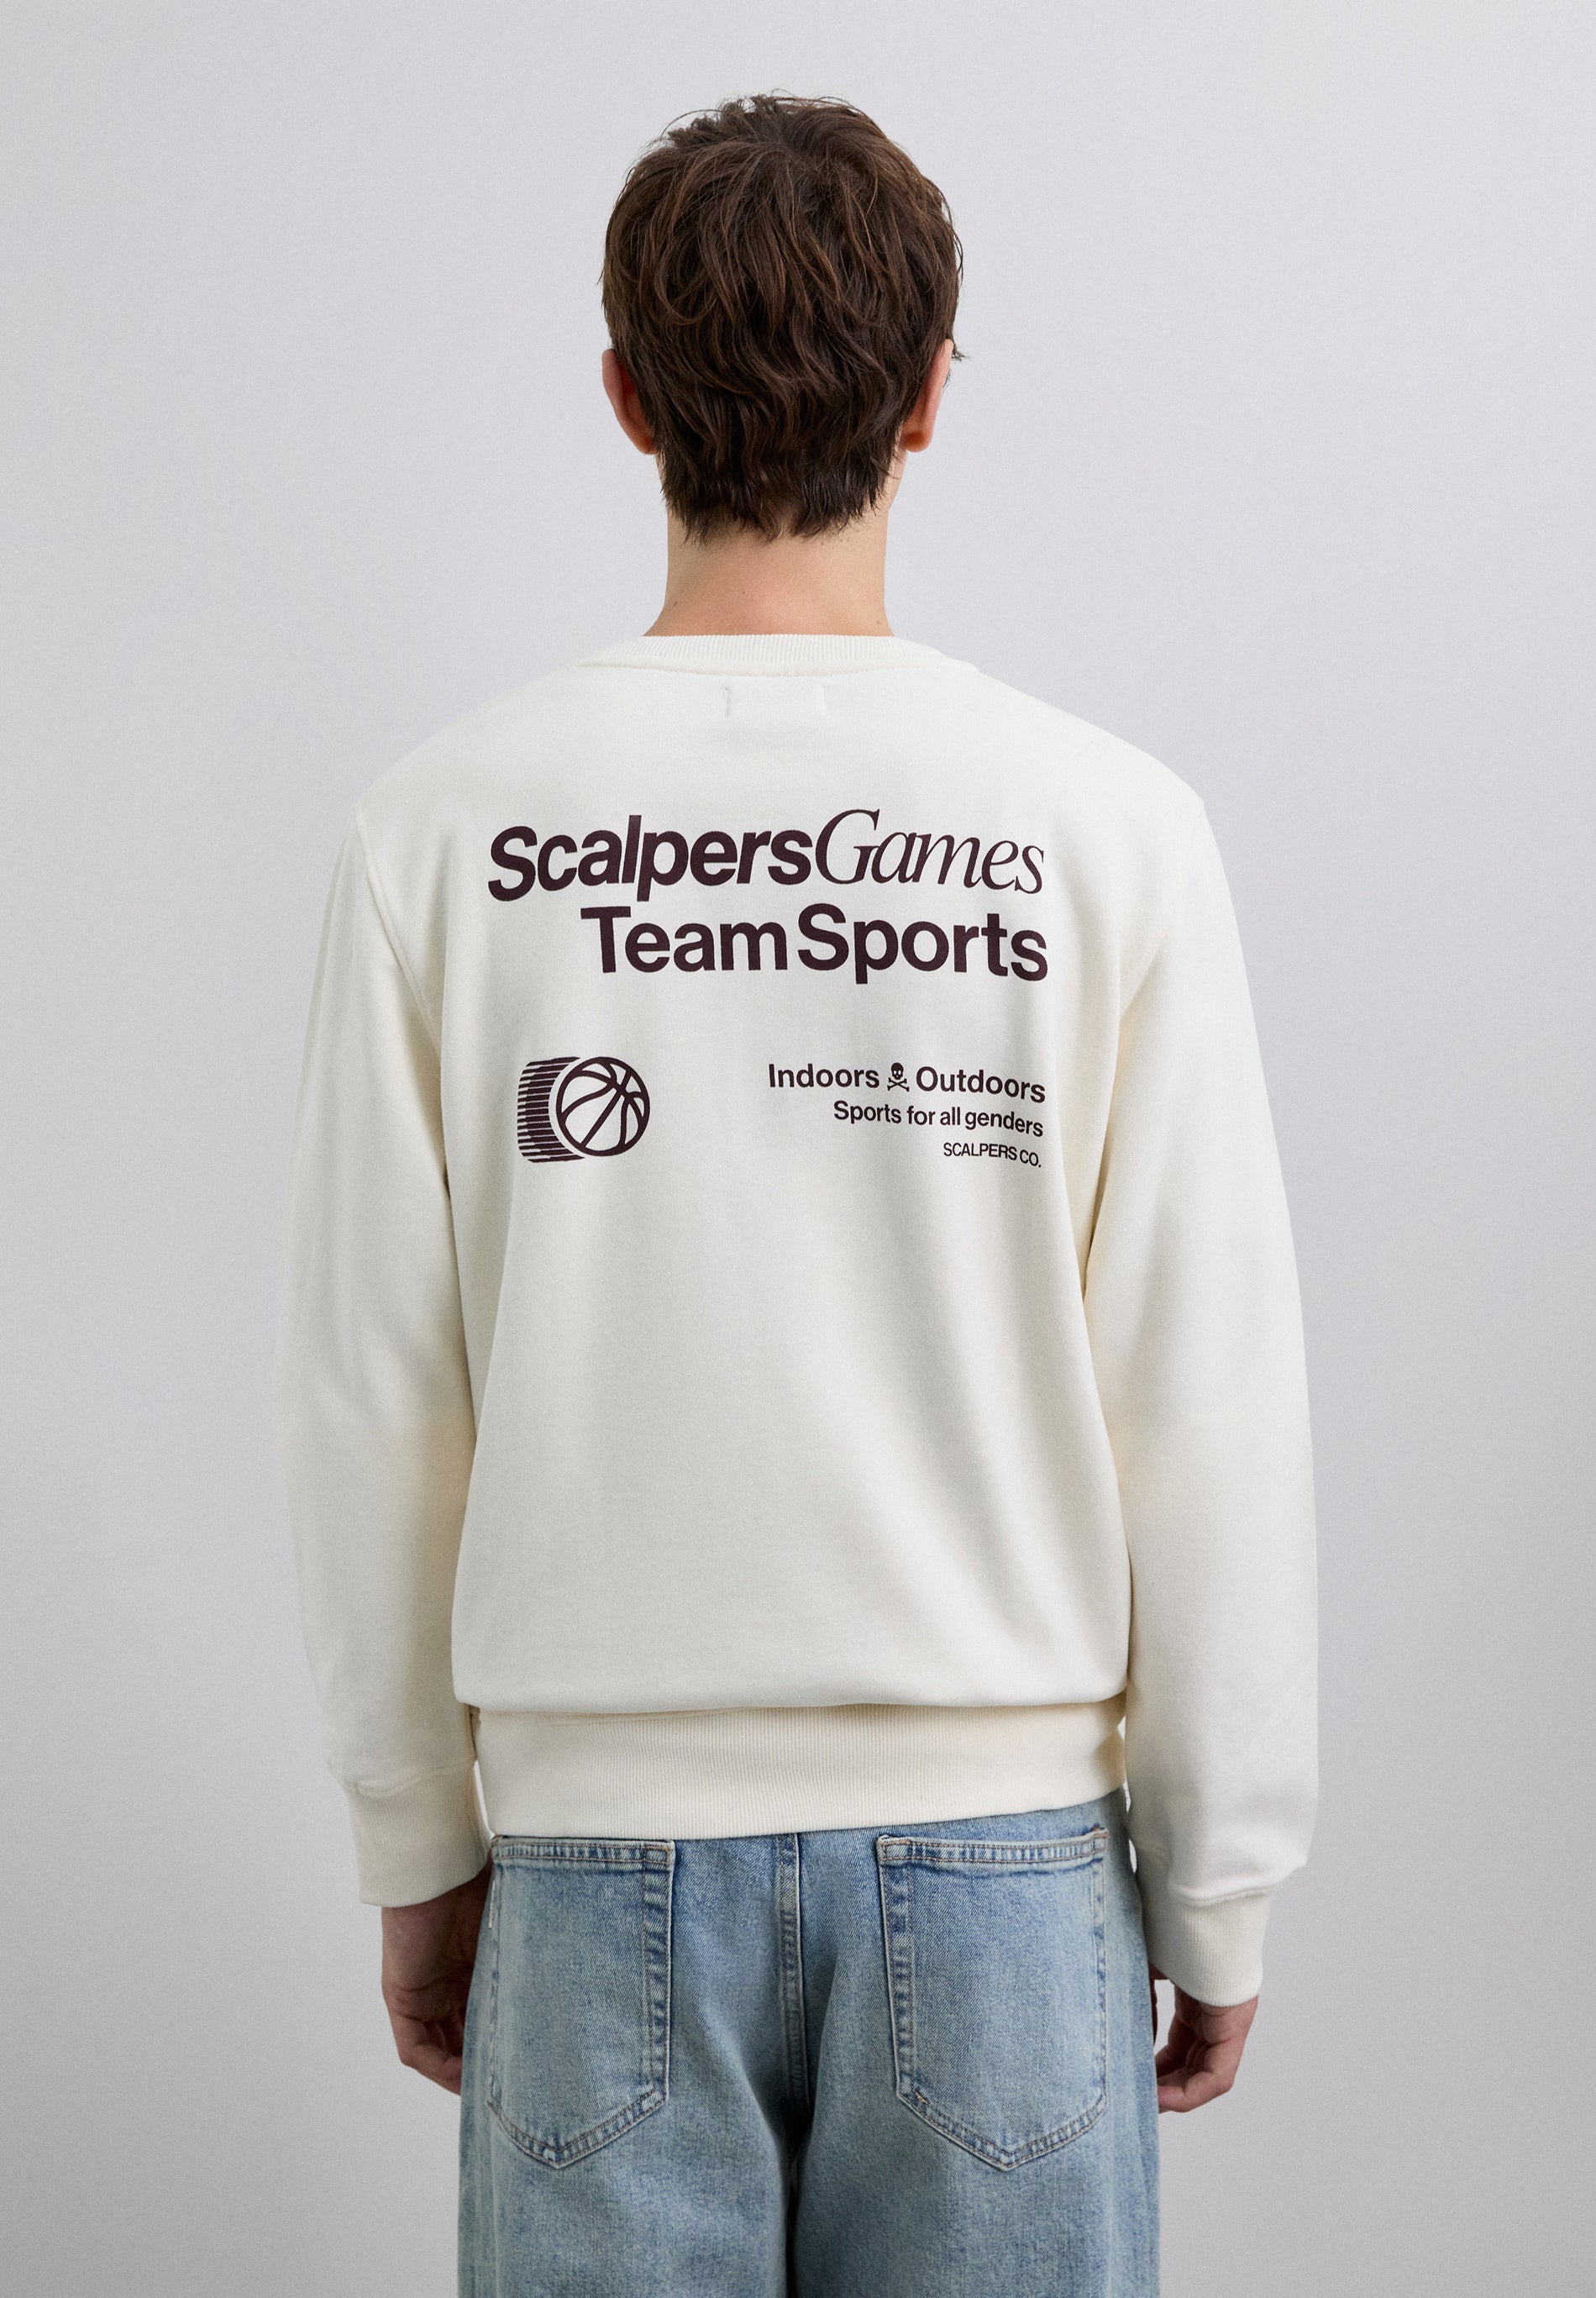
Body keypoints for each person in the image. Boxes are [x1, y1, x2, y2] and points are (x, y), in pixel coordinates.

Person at [275, 92, 1316, 2298]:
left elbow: (374, 1394)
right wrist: (1218, 1882)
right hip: (1009, 1880)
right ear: (930, 395)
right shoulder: (1106, 830)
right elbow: (1202, 1388)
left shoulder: (443, 829)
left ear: (625, 397)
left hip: (591, 1869)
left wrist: (416, 1839)